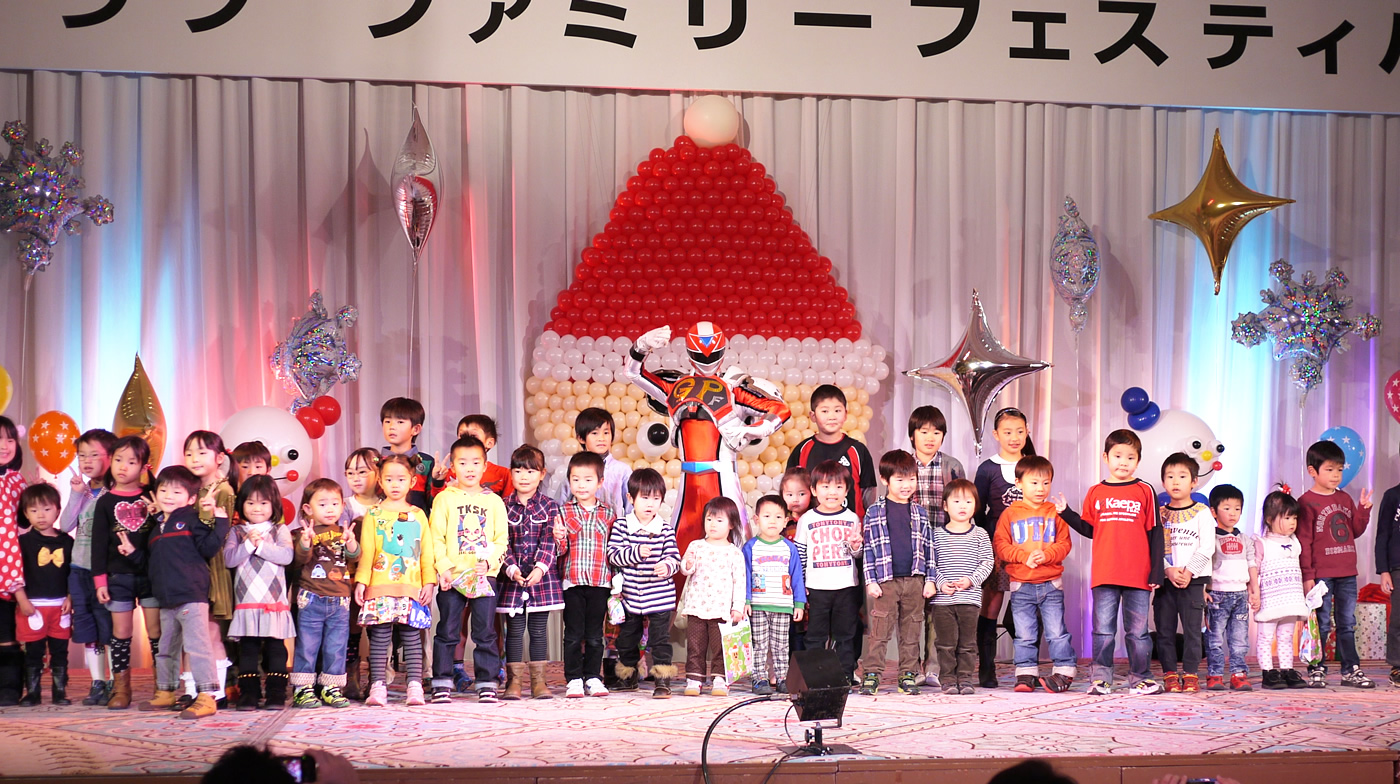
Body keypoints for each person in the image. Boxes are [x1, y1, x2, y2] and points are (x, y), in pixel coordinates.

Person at [129, 466, 230, 719]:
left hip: (191, 596)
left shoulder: (191, 519)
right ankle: (165, 692)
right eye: (164, 490)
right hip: (166, 599)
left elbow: (208, 548)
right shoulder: (157, 528)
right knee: (166, 648)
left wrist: (220, 521)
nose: (169, 496)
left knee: (197, 647)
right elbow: (152, 563)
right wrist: (132, 554)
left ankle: (207, 696)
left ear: (191, 498)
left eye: (177, 491)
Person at [1069, 429, 1164, 696]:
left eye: (1130, 457)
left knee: (1138, 632)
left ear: (1138, 460)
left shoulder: (1145, 490)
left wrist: (1157, 570)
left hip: (1138, 575)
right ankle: (1101, 679)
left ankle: (1141, 678)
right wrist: (1066, 513)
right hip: (1105, 573)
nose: (1123, 462)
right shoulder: (1096, 491)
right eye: (1118, 456)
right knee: (1103, 631)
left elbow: (1155, 532)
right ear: (1105, 457)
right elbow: (1090, 529)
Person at [429, 435, 508, 704]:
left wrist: (491, 563)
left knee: (485, 631)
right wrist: (444, 568)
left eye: (475, 462)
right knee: (448, 630)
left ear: (485, 466)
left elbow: (501, 540)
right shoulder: (444, 499)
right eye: (462, 463)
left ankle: (487, 681)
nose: (469, 468)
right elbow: (436, 538)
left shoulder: (494, 502)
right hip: (452, 576)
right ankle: (441, 681)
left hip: (483, 575)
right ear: (453, 467)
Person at [993, 456, 1080, 693]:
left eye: (1046, 483)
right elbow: (1000, 545)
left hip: (1051, 583)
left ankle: (1064, 670)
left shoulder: (1055, 512)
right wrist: (1023, 557)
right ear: (1018, 483)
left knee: (1056, 631)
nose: (1040, 488)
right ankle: (1026, 673)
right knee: (1024, 633)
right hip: (1021, 584)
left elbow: (1064, 544)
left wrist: (1047, 554)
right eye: (1034, 483)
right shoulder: (1010, 514)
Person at [354, 454, 435, 707]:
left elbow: (426, 553)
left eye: (401, 479)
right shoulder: (374, 514)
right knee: (379, 636)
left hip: (411, 587)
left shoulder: (418, 515)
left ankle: (415, 685)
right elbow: (367, 552)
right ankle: (378, 685)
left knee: (412, 636)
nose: (395, 484)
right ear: (380, 481)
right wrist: (361, 581)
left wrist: (429, 582)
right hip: (379, 586)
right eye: (389, 479)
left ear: (412, 481)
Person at [1298, 439, 1375, 688]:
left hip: (1347, 573)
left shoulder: (1344, 498)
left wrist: (1363, 510)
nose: (1336, 475)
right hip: (1321, 575)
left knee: (1347, 623)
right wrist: (1308, 576)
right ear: (1313, 471)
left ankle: (1350, 669)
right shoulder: (1306, 502)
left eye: (1339, 469)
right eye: (1330, 469)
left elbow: (1354, 531)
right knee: (1321, 623)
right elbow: (1304, 542)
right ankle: (1316, 668)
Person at [859, 450, 936, 696]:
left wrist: (930, 580)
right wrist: (871, 581)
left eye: (911, 479)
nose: (907, 485)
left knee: (911, 632)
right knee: (880, 632)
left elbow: (929, 548)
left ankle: (908, 675)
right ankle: (872, 674)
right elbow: (869, 549)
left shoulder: (920, 512)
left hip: (915, 580)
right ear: (885, 479)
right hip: (886, 581)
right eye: (900, 479)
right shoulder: (874, 512)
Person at [90, 435, 156, 710]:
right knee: (121, 633)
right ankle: (121, 689)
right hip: (118, 577)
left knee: (156, 632)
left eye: (131, 461)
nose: (123, 466)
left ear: (143, 466)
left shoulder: (151, 496)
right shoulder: (105, 502)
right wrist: (100, 581)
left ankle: (163, 686)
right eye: (118, 460)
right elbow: (97, 545)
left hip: (151, 576)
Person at [972, 407, 1035, 689]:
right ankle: (987, 668)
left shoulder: (1033, 464)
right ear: (996, 435)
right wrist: (986, 541)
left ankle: (1028, 668)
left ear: (1028, 432)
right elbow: (977, 509)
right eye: (1007, 432)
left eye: (1019, 431)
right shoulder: (988, 468)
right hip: (997, 545)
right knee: (991, 604)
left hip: (1030, 546)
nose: (1014, 437)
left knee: (1028, 603)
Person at [224, 475, 296, 711]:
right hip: (247, 603)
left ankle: (276, 692)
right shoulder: (237, 532)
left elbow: (286, 556)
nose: (257, 508)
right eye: (251, 502)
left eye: (263, 503)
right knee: (248, 649)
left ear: (274, 504)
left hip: (273, 603)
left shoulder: (279, 530)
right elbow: (229, 559)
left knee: (276, 648)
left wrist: (260, 546)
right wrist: (247, 544)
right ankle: (249, 693)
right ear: (242, 504)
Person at [607, 468, 681, 698]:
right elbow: (613, 555)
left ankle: (662, 681)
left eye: (656, 499)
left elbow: (674, 559)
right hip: (631, 596)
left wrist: (666, 566)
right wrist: (636, 552)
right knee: (627, 639)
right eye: (645, 497)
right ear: (631, 498)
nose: (650, 504)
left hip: (659, 596)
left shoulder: (665, 529)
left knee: (660, 640)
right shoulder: (622, 526)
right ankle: (628, 678)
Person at [498, 445, 561, 700]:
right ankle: (513, 682)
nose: (524, 476)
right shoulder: (502, 506)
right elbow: (500, 541)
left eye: (531, 471)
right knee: (514, 631)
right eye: (518, 471)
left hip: (541, 580)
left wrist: (540, 568)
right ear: (511, 473)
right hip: (512, 579)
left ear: (542, 473)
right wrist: (511, 568)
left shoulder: (550, 506)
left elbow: (550, 541)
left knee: (538, 630)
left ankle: (539, 682)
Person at [59, 428, 117, 706]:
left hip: (105, 571)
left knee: (109, 627)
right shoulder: (83, 492)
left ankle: (116, 681)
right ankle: (98, 682)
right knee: (87, 627)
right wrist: (76, 494)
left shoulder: (114, 493)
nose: (87, 461)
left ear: (111, 457)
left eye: (94, 455)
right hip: (79, 568)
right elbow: (65, 525)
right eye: (82, 456)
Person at [290, 478, 359, 709]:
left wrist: (351, 542)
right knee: (307, 645)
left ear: (342, 506)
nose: (330, 509)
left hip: (340, 600)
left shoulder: (343, 532)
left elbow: (355, 557)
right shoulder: (304, 533)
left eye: (335, 503)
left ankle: (331, 687)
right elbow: (300, 559)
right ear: (308, 508)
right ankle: (303, 689)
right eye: (322, 504)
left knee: (336, 646)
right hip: (311, 597)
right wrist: (306, 542)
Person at [908, 406, 964, 689]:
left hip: (943, 544)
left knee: (939, 607)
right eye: (924, 431)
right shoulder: (903, 465)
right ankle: (911, 666)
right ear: (912, 435)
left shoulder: (951, 466)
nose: (930, 438)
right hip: (912, 547)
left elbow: (963, 504)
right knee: (912, 608)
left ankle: (933, 666)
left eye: (937, 432)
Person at [553, 451, 615, 698]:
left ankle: (593, 677)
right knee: (573, 634)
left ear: (600, 482)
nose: (581, 485)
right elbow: (560, 551)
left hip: (600, 582)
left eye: (588, 479)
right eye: (576, 479)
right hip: (573, 582)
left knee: (595, 635)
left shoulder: (608, 513)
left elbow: (612, 549)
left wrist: (617, 582)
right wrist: (558, 538)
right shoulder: (564, 512)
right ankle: (574, 678)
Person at [796, 460, 863, 683]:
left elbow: (857, 555)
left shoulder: (851, 518)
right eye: (825, 486)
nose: (832, 492)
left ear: (846, 490)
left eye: (838, 486)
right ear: (814, 490)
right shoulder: (807, 519)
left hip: (846, 586)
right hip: (817, 587)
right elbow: (801, 554)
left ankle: (845, 675)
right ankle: (815, 677)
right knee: (815, 635)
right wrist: (801, 584)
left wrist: (856, 546)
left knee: (845, 634)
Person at [184, 430, 236, 705]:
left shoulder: (223, 490)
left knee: (210, 631)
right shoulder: (190, 489)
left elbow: (220, 535)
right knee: (193, 633)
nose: (194, 458)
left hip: (212, 567)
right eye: (189, 453)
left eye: (202, 452)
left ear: (219, 458)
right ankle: (193, 690)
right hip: (190, 567)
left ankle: (216, 692)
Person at [1155, 453, 1214, 693]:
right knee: (1164, 630)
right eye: (1170, 477)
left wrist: (1189, 572)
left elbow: (1207, 547)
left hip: (1193, 581)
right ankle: (1169, 673)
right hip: (1166, 581)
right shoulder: (1159, 514)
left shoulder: (1202, 512)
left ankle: (1190, 673)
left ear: (1194, 481)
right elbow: (1154, 547)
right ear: (1163, 482)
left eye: (1182, 476)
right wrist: (1167, 570)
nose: (1175, 481)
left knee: (1192, 631)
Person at [679, 495, 748, 697]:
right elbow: (686, 570)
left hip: (722, 609)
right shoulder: (696, 546)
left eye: (719, 520)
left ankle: (720, 679)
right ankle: (694, 679)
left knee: (720, 647)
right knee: (695, 646)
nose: (712, 524)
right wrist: (687, 564)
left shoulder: (734, 553)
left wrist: (738, 607)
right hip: (697, 607)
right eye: (709, 519)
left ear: (731, 524)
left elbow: (740, 582)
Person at [931, 478, 993, 694]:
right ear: (945, 506)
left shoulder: (980, 534)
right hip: (943, 601)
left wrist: (971, 580)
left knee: (967, 643)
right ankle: (948, 679)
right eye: (956, 501)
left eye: (968, 501)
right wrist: (940, 583)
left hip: (970, 599)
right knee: (945, 643)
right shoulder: (936, 535)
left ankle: (965, 678)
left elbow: (987, 562)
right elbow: (931, 564)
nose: (962, 506)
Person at [14, 484, 74, 705]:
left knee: (60, 650)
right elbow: (14, 574)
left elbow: (74, 573)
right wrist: (22, 600)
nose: (41, 515)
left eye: (47, 509)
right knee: (33, 651)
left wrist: (70, 597)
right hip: (32, 605)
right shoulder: (22, 542)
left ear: (57, 510)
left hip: (60, 605)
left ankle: (60, 691)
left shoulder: (67, 541)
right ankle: (33, 692)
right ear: (26, 513)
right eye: (34, 510)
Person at [742, 494, 805, 696]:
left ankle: (782, 678)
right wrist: (746, 600)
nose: (772, 521)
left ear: (785, 521)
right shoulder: (751, 547)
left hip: (782, 605)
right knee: (759, 644)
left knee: (781, 645)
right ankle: (759, 678)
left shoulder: (789, 548)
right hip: (758, 605)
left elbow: (797, 576)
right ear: (757, 519)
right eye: (767, 516)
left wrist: (799, 603)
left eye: (778, 517)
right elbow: (745, 575)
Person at [787, 385, 877, 518]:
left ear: (845, 414)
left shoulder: (858, 450)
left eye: (837, 410)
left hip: (851, 527)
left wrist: (866, 523)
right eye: (825, 411)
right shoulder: (802, 450)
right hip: (812, 527)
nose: (832, 416)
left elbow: (868, 493)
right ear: (813, 416)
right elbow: (791, 491)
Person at [1253, 489, 1310, 690]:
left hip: (1291, 599)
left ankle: (1287, 670)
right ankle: (1268, 672)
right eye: (1287, 518)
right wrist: (1254, 593)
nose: (1292, 522)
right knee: (1265, 638)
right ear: (1269, 519)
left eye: (1294, 518)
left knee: (1286, 637)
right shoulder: (1262, 543)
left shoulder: (1294, 542)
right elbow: (1254, 570)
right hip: (1270, 599)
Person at [1205, 484, 1254, 691]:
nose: (1233, 513)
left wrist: (1254, 591)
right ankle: (1215, 674)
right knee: (1214, 638)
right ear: (1213, 511)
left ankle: (1238, 674)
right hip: (1217, 594)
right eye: (1226, 508)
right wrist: (1203, 589)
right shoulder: (1210, 538)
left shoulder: (1245, 539)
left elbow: (1252, 565)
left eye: (1237, 508)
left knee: (1239, 639)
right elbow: (1204, 563)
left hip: (1241, 595)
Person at [340, 448, 381, 700]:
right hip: (352, 575)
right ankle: (351, 676)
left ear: (378, 474)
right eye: (350, 473)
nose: (356, 478)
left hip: (380, 576)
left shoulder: (385, 505)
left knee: (378, 630)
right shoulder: (344, 505)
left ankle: (377, 677)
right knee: (352, 628)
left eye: (362, 472)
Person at [547, 408, 633, 517]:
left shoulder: (622, 471)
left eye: (606, 433)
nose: (601, 438)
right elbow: (558, 508)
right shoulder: (575, 469)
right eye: (595, 433)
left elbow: (632, 509)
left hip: (614, 527)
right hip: (578, 526)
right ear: (581, 438)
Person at [0, 416, 27, 706]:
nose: (5, 445)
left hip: (9, 567)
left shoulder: (16, 480)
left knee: (6, 628)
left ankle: (9, 686)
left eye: (10, 439)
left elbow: (25, 522)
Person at [434, 415, 514, 498]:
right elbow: (438, 501)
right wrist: (438, 481)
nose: (468, 441)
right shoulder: (449, 473)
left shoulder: (503, 474)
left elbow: (510, 503)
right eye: (462, 436)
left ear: (489, 443)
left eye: (473, 436)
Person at [380, 397, 436, 516]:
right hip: (384, 524)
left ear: (416, 429)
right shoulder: (377, 462)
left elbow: (435, 503)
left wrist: (438, 481)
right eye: (387, 421)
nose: (392, 426)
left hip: (417, 524)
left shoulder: (426, 463)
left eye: (400, 422)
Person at [778, 467, 811, 653]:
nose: (795, 499)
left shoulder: (813, 520)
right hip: (786, 584)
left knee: (807, 627)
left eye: (801, 494)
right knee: (788, 627)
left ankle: (804, 662)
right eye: (789, 494)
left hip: (808, 582)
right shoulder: (781, 523)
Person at [1376, 469, 1400, 688]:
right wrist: (1383, 570)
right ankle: (1397, 665)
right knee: (1399, 619)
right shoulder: (1392, 496)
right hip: (1398, 566)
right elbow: (1383, 533)